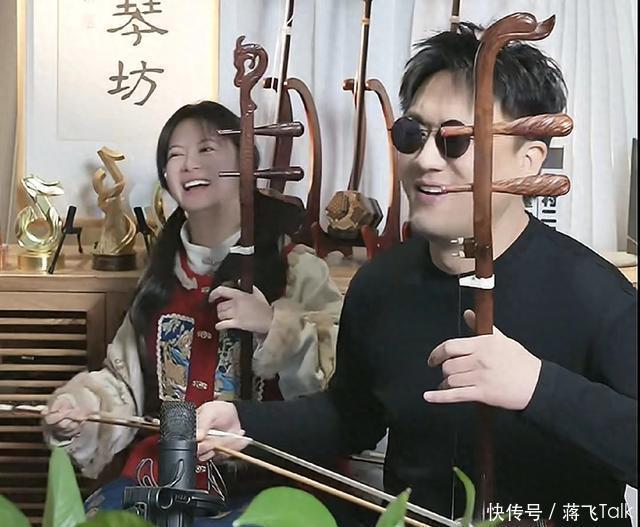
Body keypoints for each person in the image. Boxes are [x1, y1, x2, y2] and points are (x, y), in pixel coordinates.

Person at [196, 23, 637, 527]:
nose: (425, 160)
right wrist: (246, 423)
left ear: (530, 159)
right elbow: (353, 416)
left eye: (456, 140)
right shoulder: (381, 286)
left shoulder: (593, 294)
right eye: (413, 135)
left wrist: (539, 387)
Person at [41, 101, 343, 524]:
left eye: (206, 149)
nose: (188, 165)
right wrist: (79, 409)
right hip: (161, 480)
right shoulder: (161, 275)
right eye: (175, 155)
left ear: (246, 165)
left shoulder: (296, 268)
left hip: (267, 485)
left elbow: (342, 384)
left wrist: (274, 326)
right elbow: (123, 384)